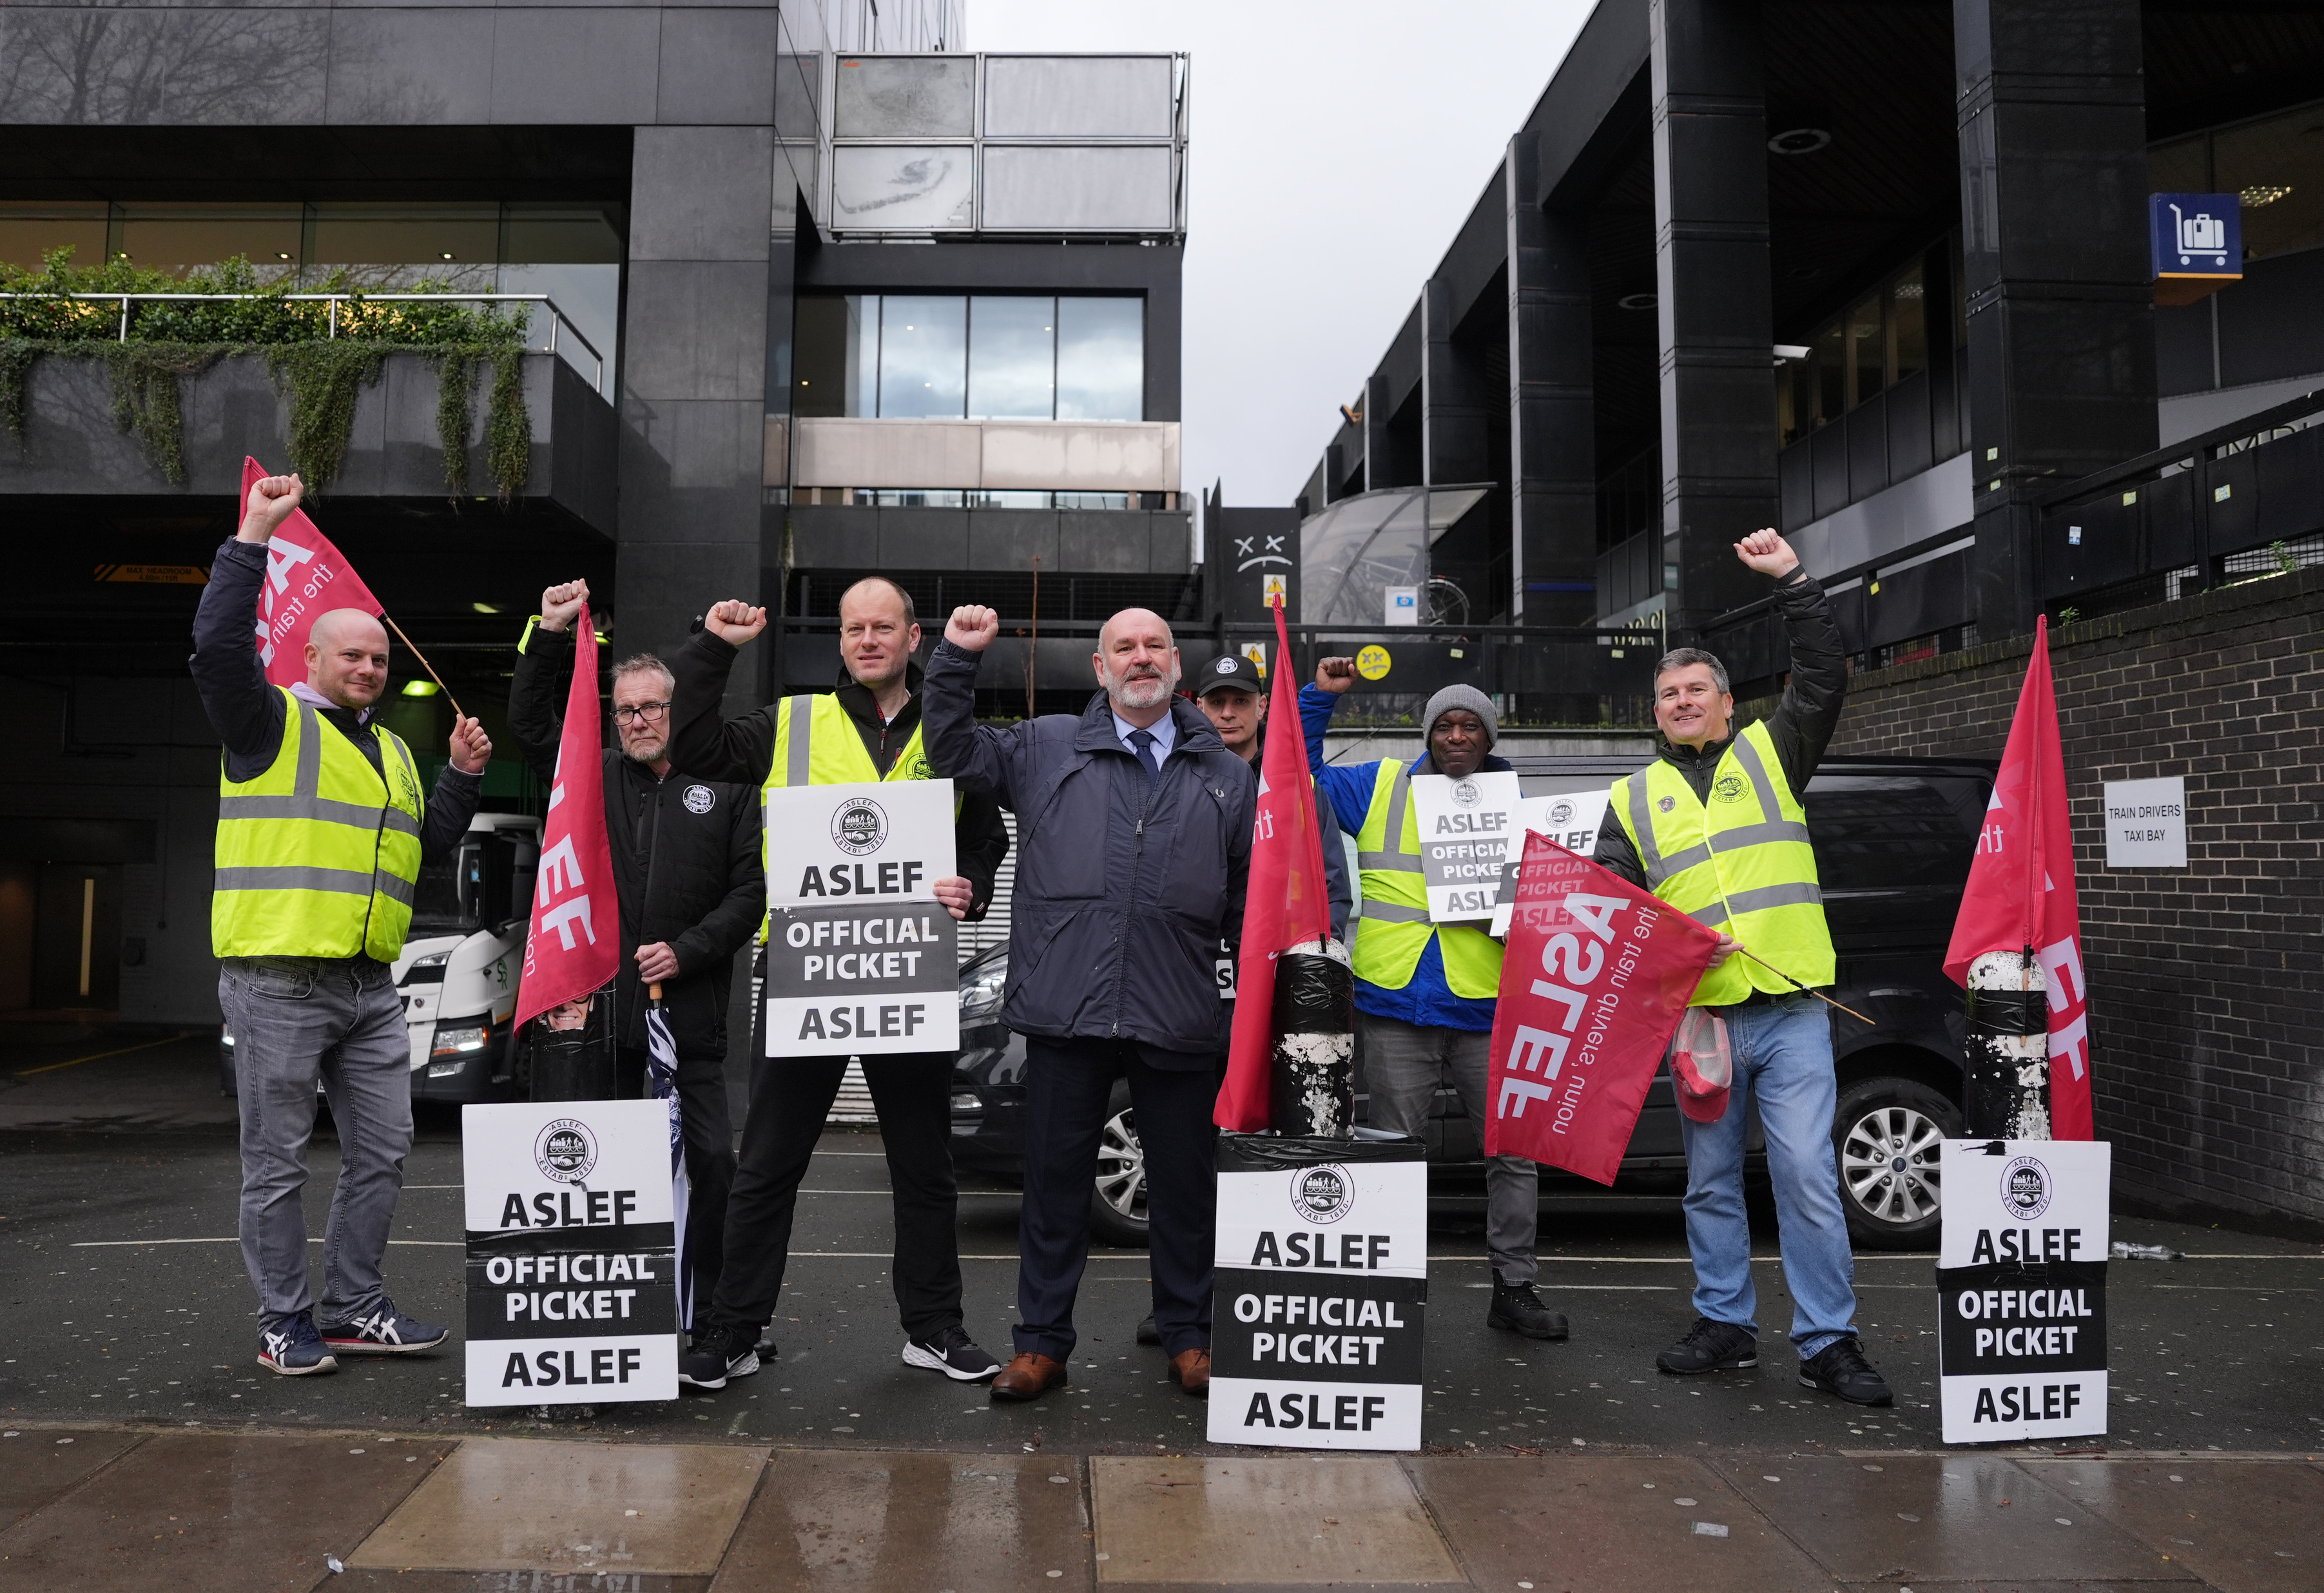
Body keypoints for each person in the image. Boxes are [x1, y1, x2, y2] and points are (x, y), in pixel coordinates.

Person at [663, 577, 1011, 1389]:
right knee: (770, 1164)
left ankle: (933, 1327)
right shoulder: (792, 723)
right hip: (808, 974)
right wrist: (713, 648)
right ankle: (733, 1331)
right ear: (842, 642)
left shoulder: (951, 726)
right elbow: (694, 746)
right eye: (854, 628)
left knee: (925, 1166)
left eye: (882, 626)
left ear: (914, 637)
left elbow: (986, 836)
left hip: (908, 969)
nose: (866, 640)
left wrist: (972, 885)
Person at [192, 472, 491, 1376]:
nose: (369, 668)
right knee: (276, 1164)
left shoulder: (395, 748)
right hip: (276, 980)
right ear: (311, 660)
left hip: (369, 986)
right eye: (351, 657)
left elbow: (427, 844)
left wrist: (463, 776)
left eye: (377, 659)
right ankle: (285, 1321)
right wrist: (253, 534)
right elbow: (214, 648)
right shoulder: (265, 721)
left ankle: (355, 1306)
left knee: (384, 1154)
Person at [922, 604, 1257, 1403]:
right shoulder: (1043, 747)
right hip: (1066, 1010)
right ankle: (1040, 1346)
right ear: (1099, 670)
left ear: (1175, 666)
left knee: (1185, 1186)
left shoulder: (1227, 775)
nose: (1140, 658)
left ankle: (1189, 1337)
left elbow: (1245, 902)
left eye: (1153, 647)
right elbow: (950, 750)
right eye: (1123, 649)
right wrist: (957, 659)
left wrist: (1253, 1007)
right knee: (1054, 1186)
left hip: (1178, 1012)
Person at [1591, 528, 1892, 1408]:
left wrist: (1791, 579)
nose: (1681, 702)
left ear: (1727, 702)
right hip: (1703, 1019)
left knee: (1803, 1173)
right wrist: (1669, 935)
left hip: (1792, 1005)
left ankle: (1826, 1342)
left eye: (1695, 690)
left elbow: (1825, 670)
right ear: (1656, 713)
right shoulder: (1631, 797)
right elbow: (1612, 900)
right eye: (1667, 694)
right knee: (1710, 1181)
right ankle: (1723, 1323)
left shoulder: (1775, 750)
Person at [509, 579, 762, 1347]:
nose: (639, 721)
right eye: (625, 710)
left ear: (677, 708)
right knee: (606, 1177)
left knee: (713, 1166)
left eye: (653, 706)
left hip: (690, 1020)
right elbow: (527, 723)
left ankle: (714, 1321)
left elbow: (752, 893)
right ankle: (624, 1326)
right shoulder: (594, 775)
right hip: (602, 1022)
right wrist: (551, 631)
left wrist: (687, 952)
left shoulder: (725, 782)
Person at [1300, 671, 1567, 1342]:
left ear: (1487, 737)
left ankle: (1515, 1288)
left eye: (1470, 725)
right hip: (1395, 1008)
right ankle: (1388, 1291)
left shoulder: (1519, 807)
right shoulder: (1378, 785)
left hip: (1486, 1008)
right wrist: (1319, 699)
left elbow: (1552, 907)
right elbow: (1296, 777)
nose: (1456, 735)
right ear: (1427, 733)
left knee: (1513, 1155)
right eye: (1444, 724)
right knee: (1394, 1156)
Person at [1192, 651, 1350, 940]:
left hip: (1279, 953)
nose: (1228, 713)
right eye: (1217, 703)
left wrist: (1319, 956)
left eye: (1240, 701)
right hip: (1198, 960)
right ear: (1199, 707)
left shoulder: (1298, 784)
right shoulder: (1177, 777)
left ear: (1262, 706)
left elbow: (1330, 883)